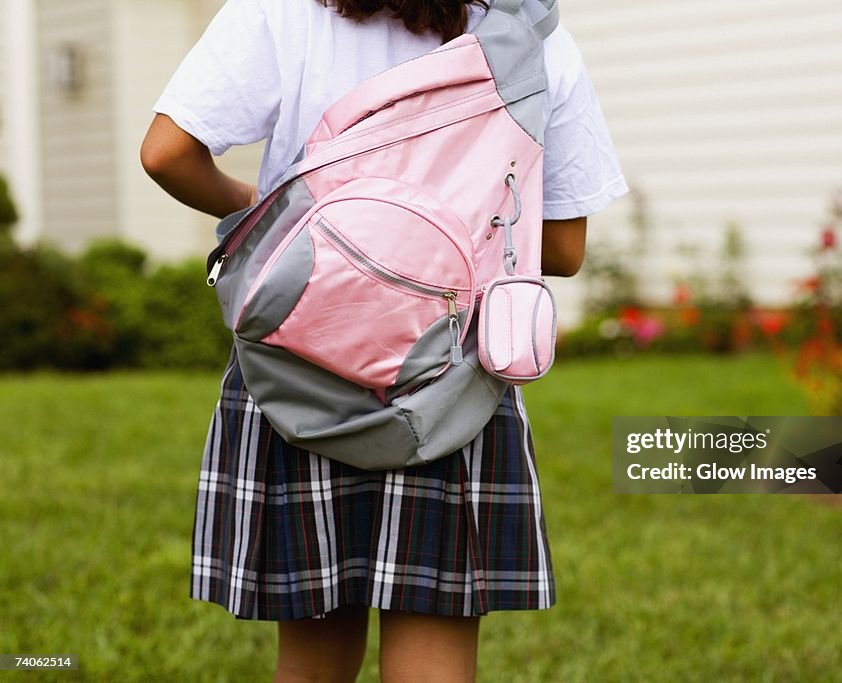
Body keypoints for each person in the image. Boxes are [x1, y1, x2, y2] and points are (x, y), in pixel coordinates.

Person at [140, 0, 627, 680]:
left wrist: (282, 213)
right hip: (452, 377)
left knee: (311, 659)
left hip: (295, 358)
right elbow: (565, 246)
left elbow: (166, 153)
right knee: (435, 654)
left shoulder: (279, 12)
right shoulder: (531, 38)